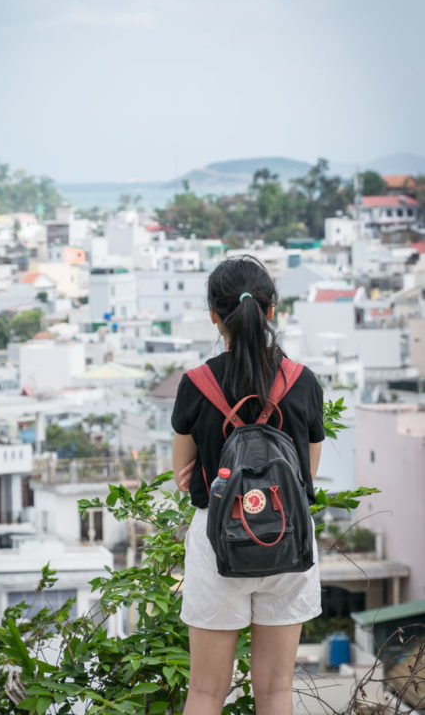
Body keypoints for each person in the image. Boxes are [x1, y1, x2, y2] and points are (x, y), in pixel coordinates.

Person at [171, 255, 324, 715]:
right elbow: (305, 476)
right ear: (271, 310)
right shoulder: (303, 382)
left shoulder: (196, 384)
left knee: (204, 692)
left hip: (218, 543)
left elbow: (184, 475)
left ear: (215, 316)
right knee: (276, 691)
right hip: (287, 542)